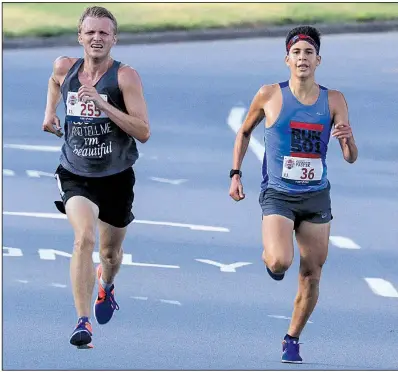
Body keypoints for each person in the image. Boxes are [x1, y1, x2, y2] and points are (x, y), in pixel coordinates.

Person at [229, 25, 358, 363]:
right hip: (279, 193)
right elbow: (243, 132)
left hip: (316, 196)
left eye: (309, 53)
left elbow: (350, 156)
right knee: (280, 261)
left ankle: (292, 338)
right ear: (288, 59)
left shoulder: (334, 100)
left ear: (318, 60)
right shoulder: (270, 95)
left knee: (311, 273)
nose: (303, 59)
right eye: (297, 53)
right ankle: (272, 255)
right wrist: (236, 174)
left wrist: (347, 138)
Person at [42, 6, 150, 348]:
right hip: (76, 173)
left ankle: (106, 286)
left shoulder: (125, 77)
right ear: (80, 37)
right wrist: (49, 113)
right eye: (90, 32)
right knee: (83, 239)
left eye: (104, 33)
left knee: (109, 255)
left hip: (117, 175)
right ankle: (82, 322)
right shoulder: (65, 67)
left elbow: (143, 131)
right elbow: (54, 82)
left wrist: (103, 105)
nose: (96, 38)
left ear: (114, 39)